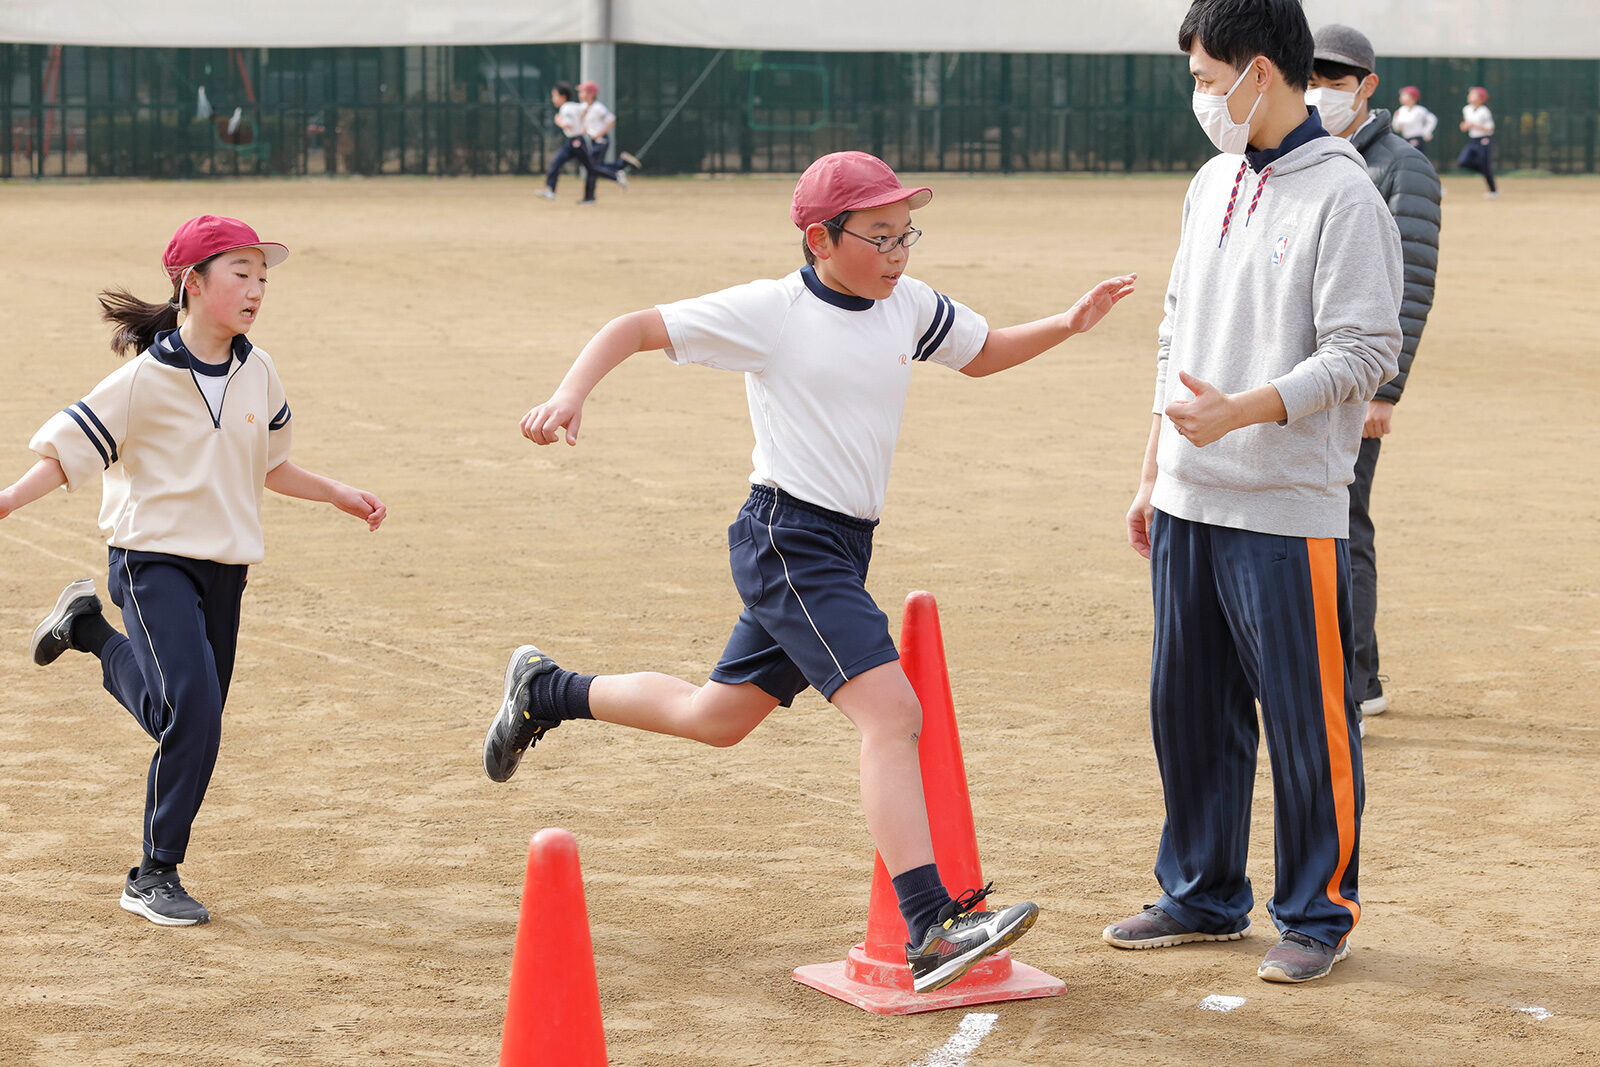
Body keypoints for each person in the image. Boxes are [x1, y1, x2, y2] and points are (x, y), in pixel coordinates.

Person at [483, 150, 1136, 994]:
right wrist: (570, 394)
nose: (901, 251)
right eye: (880, 234)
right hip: (788, 539)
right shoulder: (773, 311)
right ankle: (933, 925)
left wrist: (1066, 323)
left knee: (716, 718)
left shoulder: (910, 306)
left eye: (908, 232)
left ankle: (547, 689)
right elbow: (633, 327)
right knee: (893, 713)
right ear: (821, 238)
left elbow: (981, 353)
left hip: (838, 547)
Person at [1107, 0, 1402, 984]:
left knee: (1304, 717)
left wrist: (1245, 411)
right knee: (1186, 705)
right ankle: (1201, 890)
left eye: (1205, 80)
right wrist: (1153, 468)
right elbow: (1173, 330)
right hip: (1190, 495)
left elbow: (1364, 351)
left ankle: (1316, 912)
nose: (1199, 99)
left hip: (1287, 503)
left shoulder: (1344, 196)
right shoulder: (1210, 181)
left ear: (1259, 73)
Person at [0, 215, 387, 925]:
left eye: (262, 277)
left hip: (226, 571)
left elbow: (273, 464)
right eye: (240, 273)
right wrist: (5, 502)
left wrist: (335, 491)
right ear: (192, 283)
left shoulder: (258, 370)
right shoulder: (142, 380)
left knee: (183, 720)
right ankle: (153, 872)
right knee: (197, 714)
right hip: (152, 563)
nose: (256, 289)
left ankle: (85, 629)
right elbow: (65, 453)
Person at [1308, 25, 1442, 731]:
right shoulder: (1312, 158)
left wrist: (1385, 388)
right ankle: (1333, 667)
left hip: (1359, 383)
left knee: (1344, 523)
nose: (1321, 90)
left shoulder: (1401, 167)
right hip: (1303, 379)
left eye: (1336, 79)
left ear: (1367, 86)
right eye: (1313, 76)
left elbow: (1410, 285)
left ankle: (1358, 678)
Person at [575, 79, 642, 205]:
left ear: (591, 93)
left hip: (601, 141)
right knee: (594, 168)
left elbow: (611, 121)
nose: (580, 94)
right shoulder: (584, 107)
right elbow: (585, 125)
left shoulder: (598, 108)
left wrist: (598, 134)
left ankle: (614, 177)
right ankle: (621, 165)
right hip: (593, 141)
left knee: (592, 168)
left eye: (582, 91)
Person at [538, 81, 590, 202]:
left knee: (591, 167)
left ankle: (615, 175)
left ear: (563, 97)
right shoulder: (573, 105)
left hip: (576, 141)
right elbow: (585, 109)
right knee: (556, 163)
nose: (553, 99)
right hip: (573, 141)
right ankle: (550, 190)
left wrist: (559, 122)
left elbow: (569, 125)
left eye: (554, 96)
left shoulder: (566, 109)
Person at [1457, 86, 1497, 197]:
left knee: (1486, 166)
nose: (1469, 96)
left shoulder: (1484, 111)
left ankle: (1493, 191)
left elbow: (1490, 128)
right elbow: (1467, 125)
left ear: (1480, 98)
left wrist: (1473, 125)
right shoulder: (1466, 109)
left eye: (1473, 94)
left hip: (1485, 140)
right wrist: (1465, 126)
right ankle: (1483, 171)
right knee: (1463, 161)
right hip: (1473, 140)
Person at [1391, 85, 1438, 155]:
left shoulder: (1420, 110)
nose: (1401, 97)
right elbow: (1397, 128)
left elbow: (1432, 119)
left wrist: (1426, 132)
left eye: (1404, 95)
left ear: (1412, 97)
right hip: (1406, 140)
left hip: (1417, 139)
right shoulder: (1401, 110)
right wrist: (1395, 119)